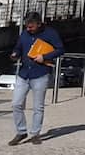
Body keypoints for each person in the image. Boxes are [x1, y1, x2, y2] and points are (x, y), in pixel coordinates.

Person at [9, 11, 64, 145]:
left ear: (39, 24)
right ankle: (21, 131)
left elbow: (60, 49)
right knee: (16, 103)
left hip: (40, 73)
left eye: (31, 26)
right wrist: (15, 53)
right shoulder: (24, 34)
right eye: (27, 26)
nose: (28, 29)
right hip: (24, 73)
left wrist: (44, 57)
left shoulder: (50, 33)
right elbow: (18, 47)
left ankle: (35, 134)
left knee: (38, 106)